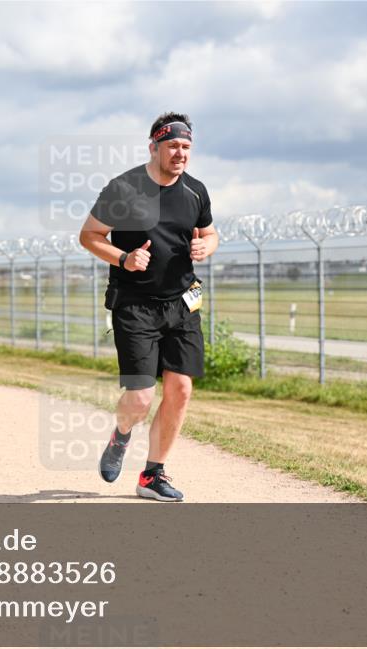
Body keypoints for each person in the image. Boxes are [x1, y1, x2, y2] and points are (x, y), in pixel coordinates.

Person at [78, 112, 219, 502]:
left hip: (183, 303)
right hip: (135, 305)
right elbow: (89, 235)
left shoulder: (195, 191)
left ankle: (152, 476)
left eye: (186, 147)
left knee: (181, 389)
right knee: (140, 397)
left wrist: (208, 245)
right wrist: (123, 258)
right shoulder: (123, 188)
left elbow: (210, 233)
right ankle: (121, 435)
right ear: (153, 147)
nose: (180, 153)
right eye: (173, 145)